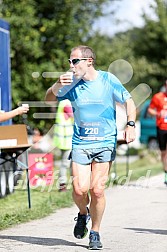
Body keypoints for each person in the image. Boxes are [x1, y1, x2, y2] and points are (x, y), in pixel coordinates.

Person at [45, 45, 136, 250]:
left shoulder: (108, 79)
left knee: (97, 190)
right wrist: (57, 84)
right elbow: (48, 99)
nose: (71, 65)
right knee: (79, 190)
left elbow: (129, 102)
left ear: (89, 61)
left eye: (75, 61)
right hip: (81, 143)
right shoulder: (71, 83)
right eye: (69, 61)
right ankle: (83, 214)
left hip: (104, 142)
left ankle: (95, 232)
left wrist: (130, 125)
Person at [148, 79, 167, 185]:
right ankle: (166, 172)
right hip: (162, 128)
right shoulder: (158, 97)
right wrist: (158, 113)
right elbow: (150, 110)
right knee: (164, 152)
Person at [53, 99, 73, 192]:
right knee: (66, 163)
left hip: (64, 139)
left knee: (67, 163)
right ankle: (63, 185)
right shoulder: (66, 102)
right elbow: (74, 115)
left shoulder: (63, 101)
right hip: (66, 139)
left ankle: (66, 184)